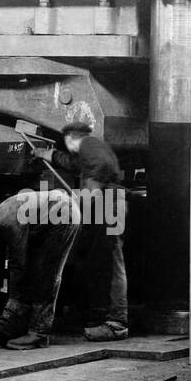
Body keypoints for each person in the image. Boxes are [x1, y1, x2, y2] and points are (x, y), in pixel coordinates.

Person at [0, 188, 81, 349]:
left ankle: (38, 333)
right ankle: (25, 326)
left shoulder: (7, 221)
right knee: (35, 273)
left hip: (63, 213)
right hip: (51, 217)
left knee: (46, 274)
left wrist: (11, 310)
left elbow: (18, 264)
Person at [44, 121, 128, 341]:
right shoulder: (91, 148)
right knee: (104, 260)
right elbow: (74, 163)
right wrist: (50, 155)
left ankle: (117, 323)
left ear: (70, 139)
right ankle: (106, 318)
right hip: (109, 203)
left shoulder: (89, 145)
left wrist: (89, 195)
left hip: (108, 204)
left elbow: (99, 166)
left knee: (111, 261)